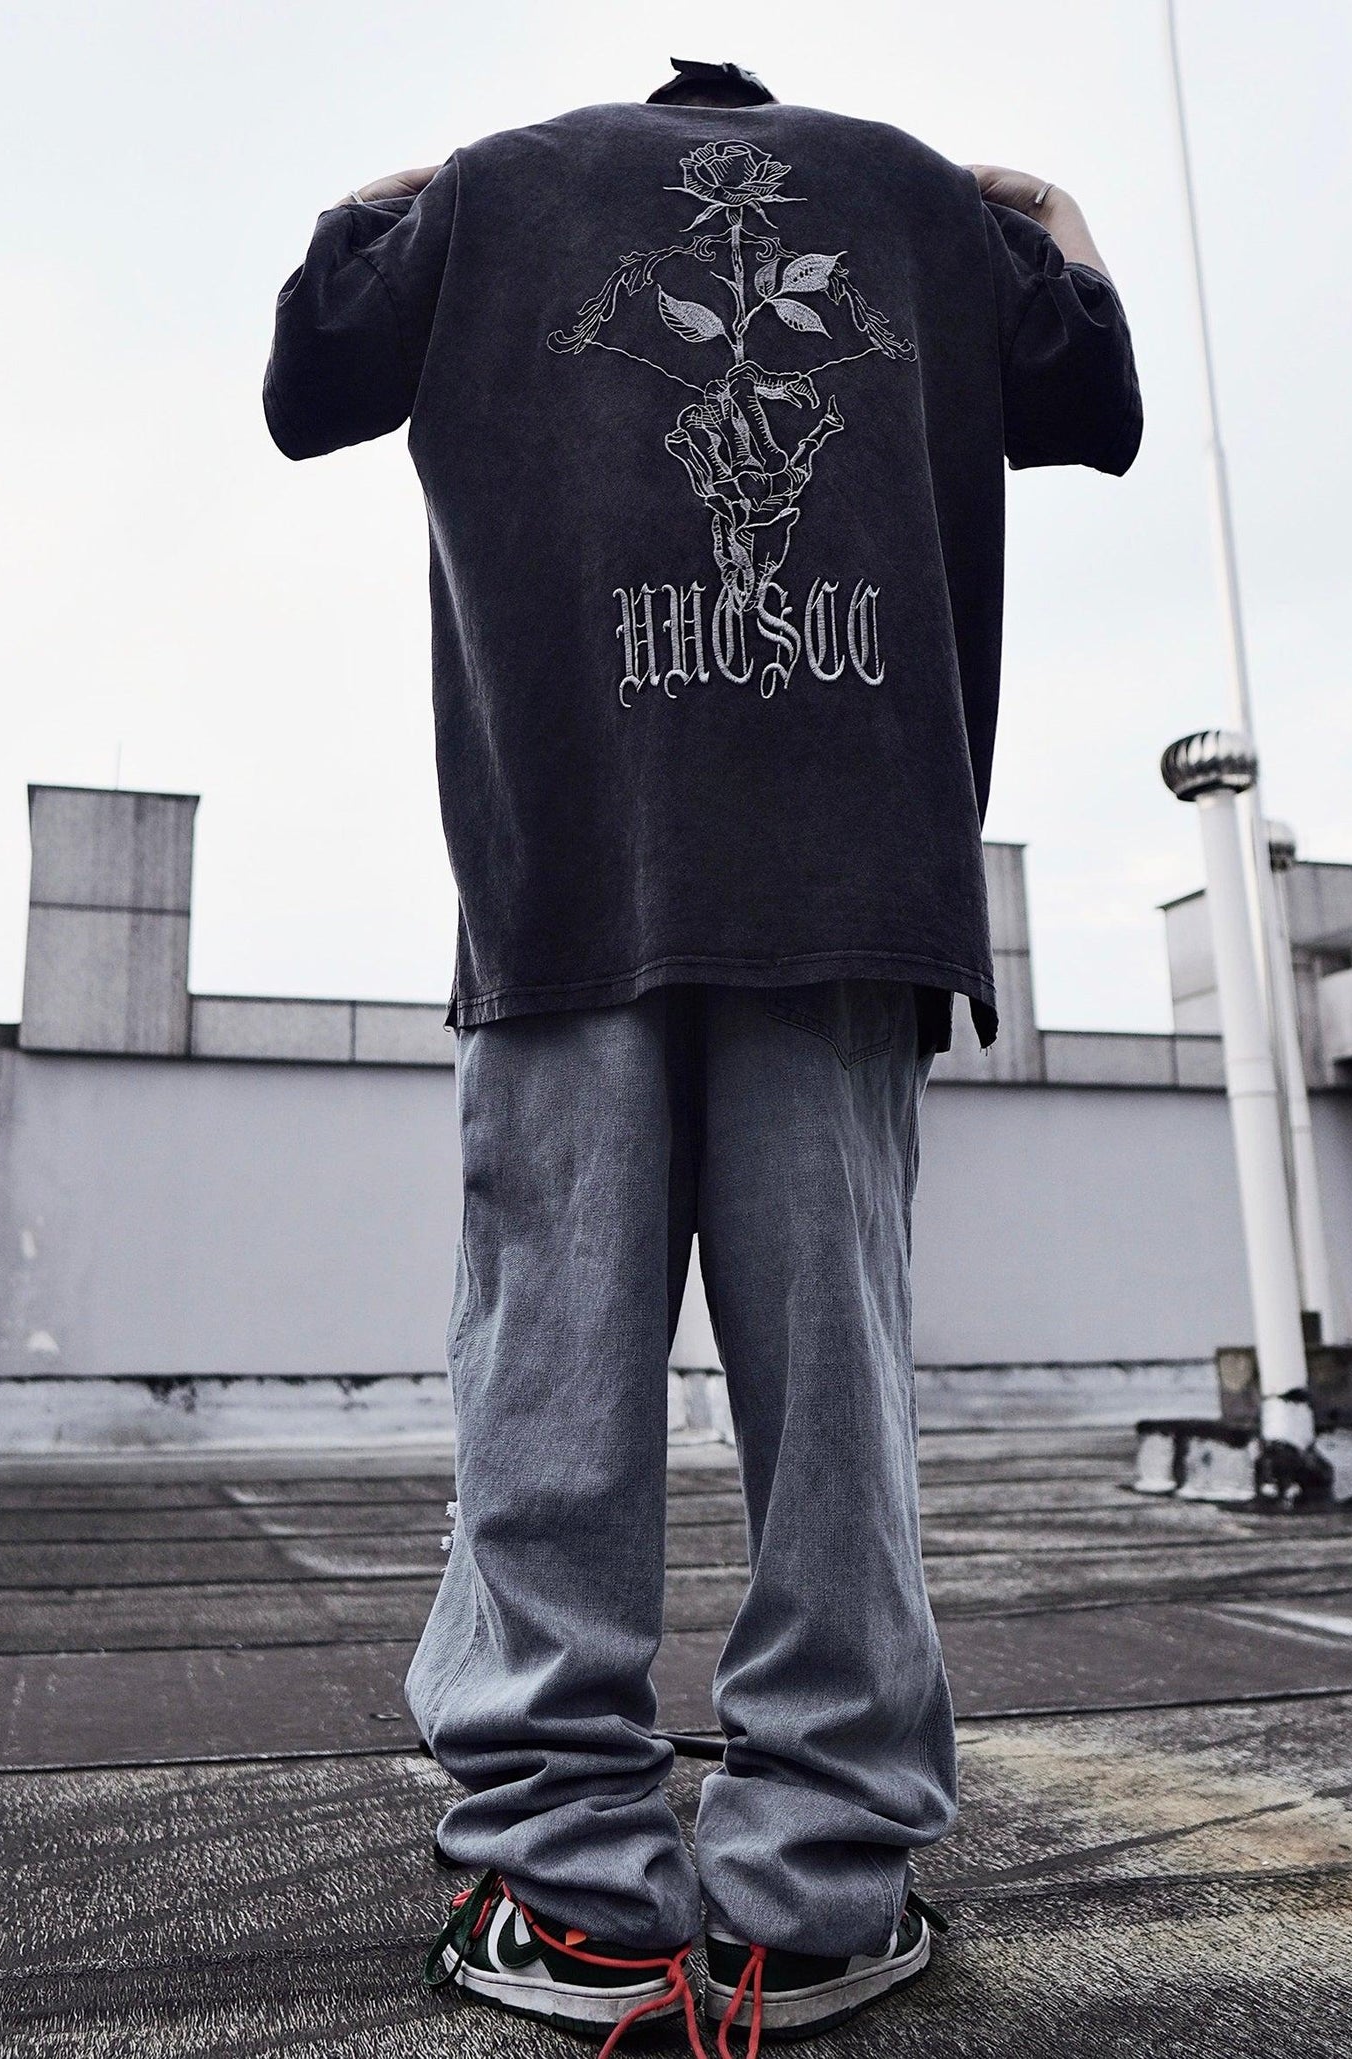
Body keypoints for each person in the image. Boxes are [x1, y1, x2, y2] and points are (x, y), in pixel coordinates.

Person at [264, 54, 1140, 2057]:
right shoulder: (915, 198)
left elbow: (312, 370)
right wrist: (1047, 214)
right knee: (837, 1415)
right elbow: (1093, 396)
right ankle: (810, 1901)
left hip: (570, 881)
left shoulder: (503, 188)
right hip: (851, 889)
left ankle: (572, 1896)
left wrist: (415, 189)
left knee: (547, 1400)